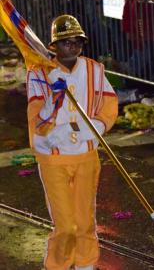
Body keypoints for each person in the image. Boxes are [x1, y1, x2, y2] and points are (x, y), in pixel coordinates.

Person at [26, 15, 118, 270]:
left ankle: (86, 264)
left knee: (85, 219)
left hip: (86, 155)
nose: (73, 46)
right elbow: (36, 115)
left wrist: (97, 127)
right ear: (54, 45)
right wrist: (52, 99)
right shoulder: (39, 73)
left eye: (77, 41)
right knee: (66, 224)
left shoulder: (94, 70)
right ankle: (58, 265)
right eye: (66, 42)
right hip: (54, 157)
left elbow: (109, 105)